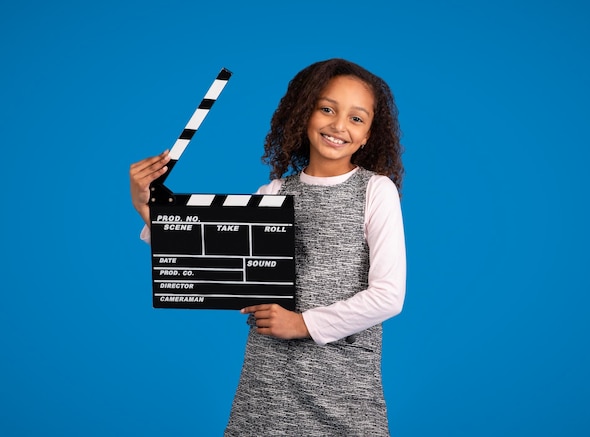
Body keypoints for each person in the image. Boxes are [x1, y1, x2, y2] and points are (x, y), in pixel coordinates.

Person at [130, 58, 406, 436]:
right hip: (267, 384)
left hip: (343, 388)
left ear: (369, 134)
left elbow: (389, 296)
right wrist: (148, 207)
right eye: (326, 108)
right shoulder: (274, 193)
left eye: (356, 118)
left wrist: (301, 323)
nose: (339, 125)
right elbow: (209, 260)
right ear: (304, 111)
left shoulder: (376, 191)